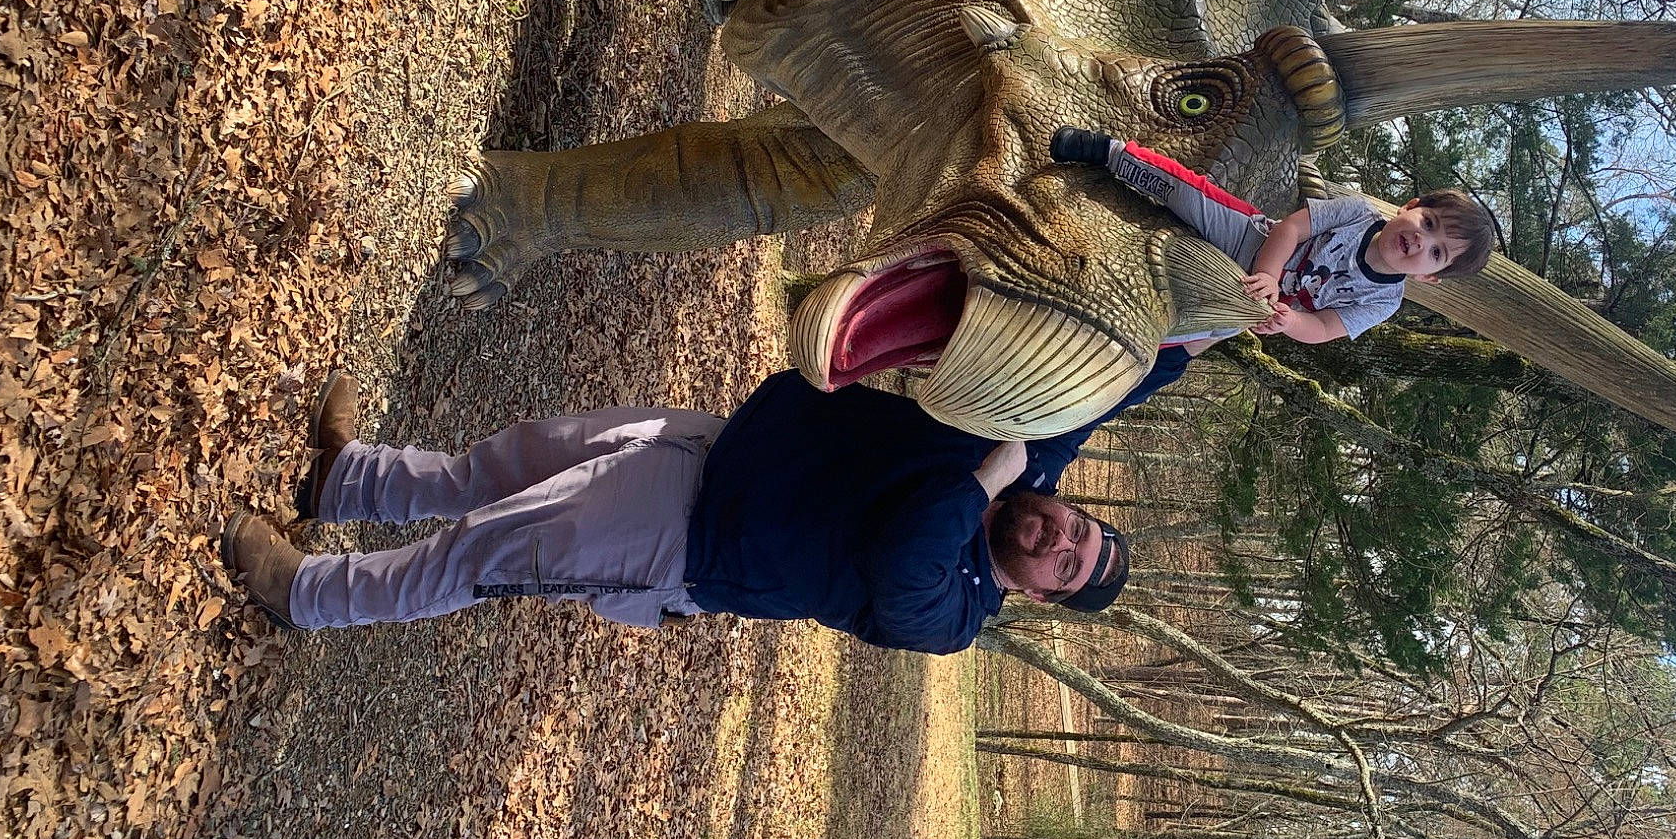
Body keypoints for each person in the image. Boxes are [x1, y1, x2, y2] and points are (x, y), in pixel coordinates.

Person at [219, 349, 1192, 654]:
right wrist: (1220, 326)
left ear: (1044, 596)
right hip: (713, 448)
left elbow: (905, 556)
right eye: (1076, 529)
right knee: (511, 461)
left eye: (1065, 565)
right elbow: (1101, 390)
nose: (1056, 537)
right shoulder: (1033, 464)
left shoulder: (953, 616)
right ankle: (345, 480)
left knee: (488, 549)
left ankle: (306, 595)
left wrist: (984, 478)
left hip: (684, 544)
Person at [1051, 127, 1495, 346]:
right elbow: (1293, 227)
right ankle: (1111, 155)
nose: (1421, 242)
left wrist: (1286, 322)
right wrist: (1267, 272)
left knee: (1170, 337)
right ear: (1411, 207)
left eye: (1436, 253)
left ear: (1430, 277)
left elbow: (1324, 328)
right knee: (1191, 195)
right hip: (1253, 241)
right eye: (1429, 224)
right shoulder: (1359, 212)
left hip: (1251, 305)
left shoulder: (1384, 302)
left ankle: (1089, 332)